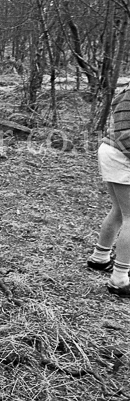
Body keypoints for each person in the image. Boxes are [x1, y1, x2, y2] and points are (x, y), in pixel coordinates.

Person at [87, 84, 130, 297]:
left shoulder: (125, 90)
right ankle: (120, 279)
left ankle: (99, 257)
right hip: (120, 154)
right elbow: (125, 134)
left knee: (119, 211)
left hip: (113, 151)